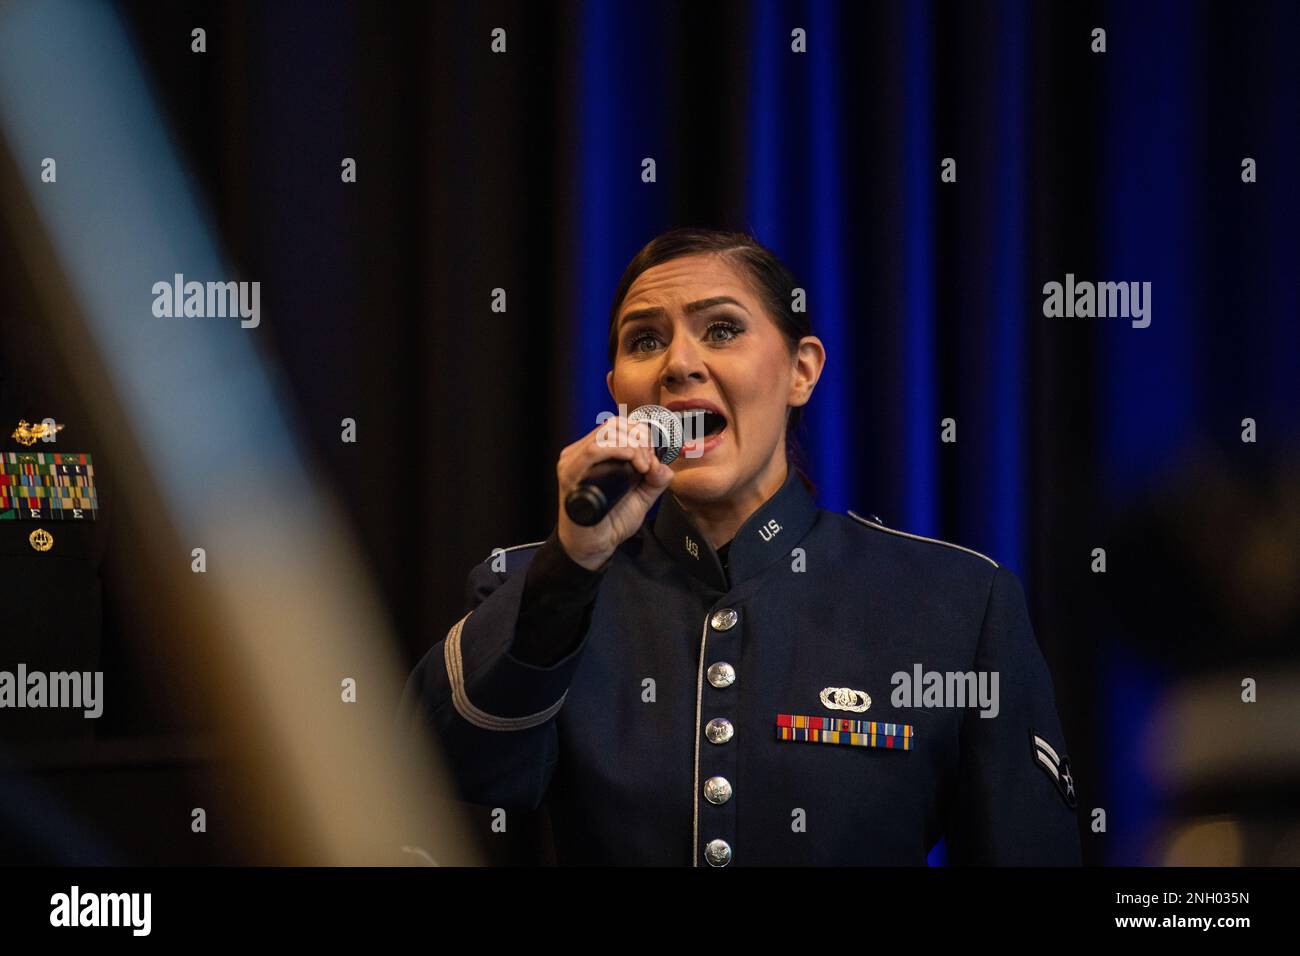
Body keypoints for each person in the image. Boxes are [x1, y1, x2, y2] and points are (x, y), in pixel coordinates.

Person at [401, 227, 1081, 866]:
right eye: (643, 341)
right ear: (618, 396)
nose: (679, 365)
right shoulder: (540, 585)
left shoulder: (955, 601)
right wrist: (572, 562)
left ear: (801, 371)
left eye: (721, 329)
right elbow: (441, 768)